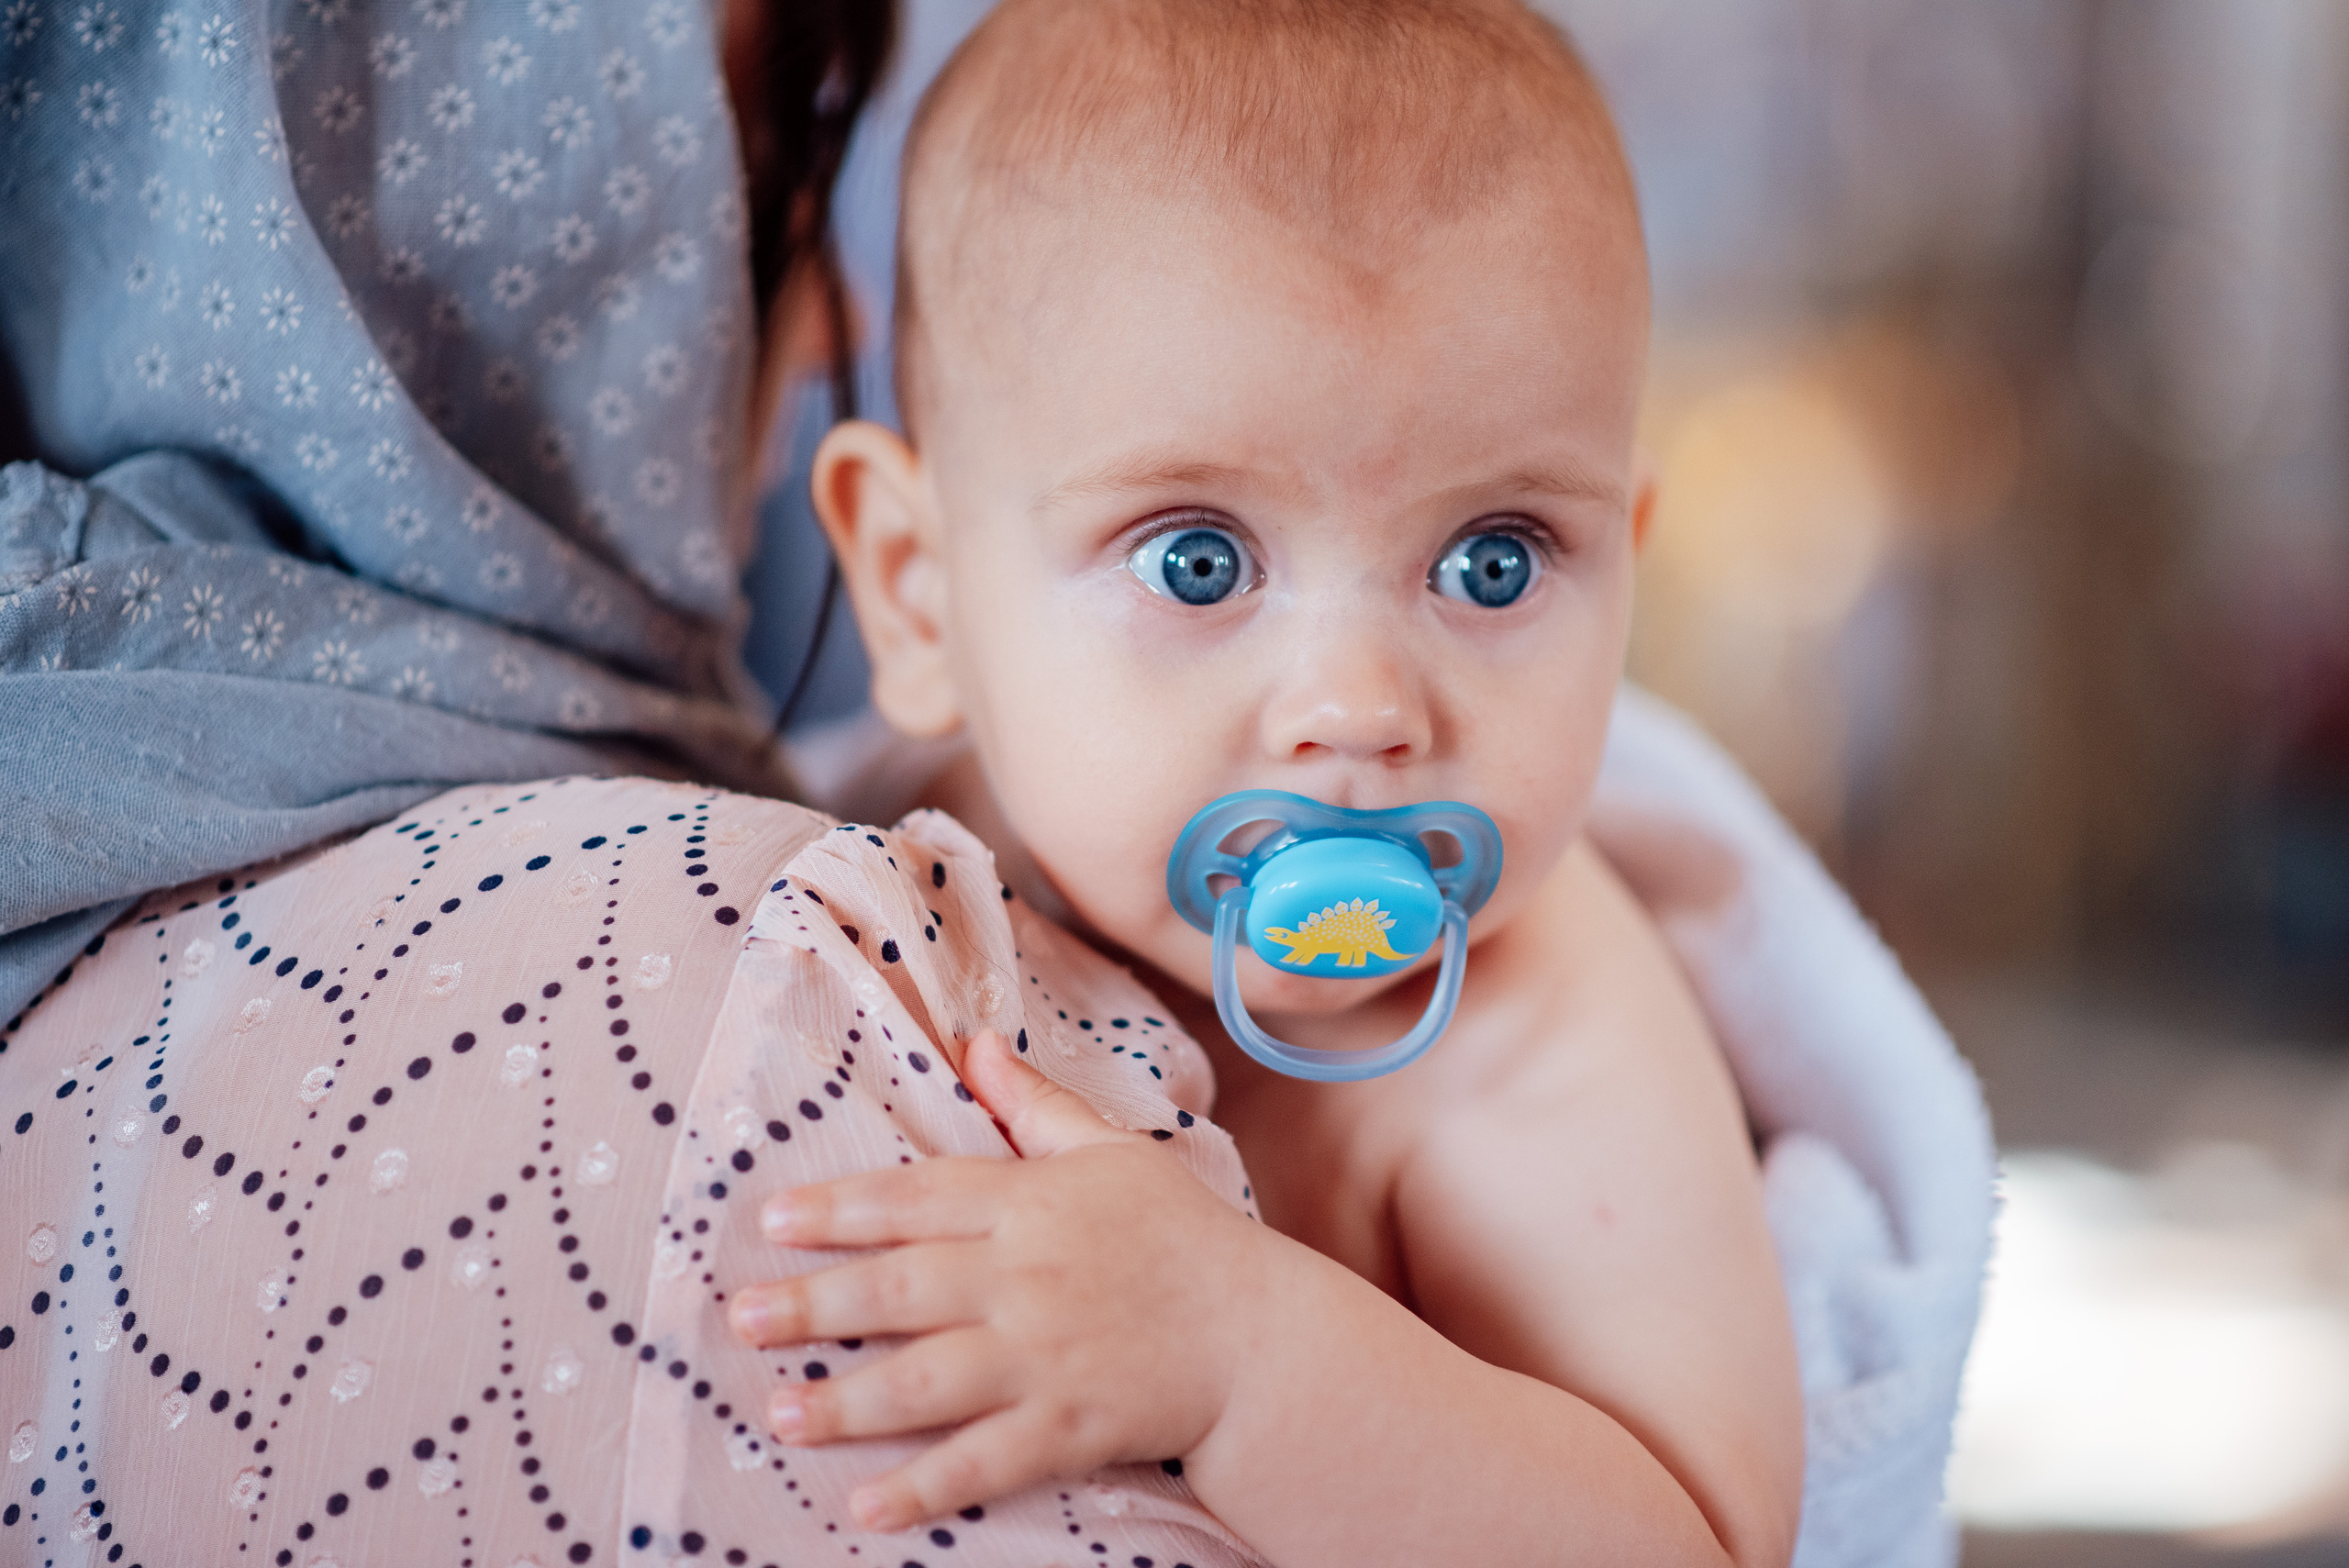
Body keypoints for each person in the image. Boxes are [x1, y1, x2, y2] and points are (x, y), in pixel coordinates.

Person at [717, 1, 1803, 1564]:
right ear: (918, 591)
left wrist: (1246, 1353)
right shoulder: (866, 878)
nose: (1360, 710)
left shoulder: (1546, 1037)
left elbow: (1696, 1541)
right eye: (1201, 558)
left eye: (1493, 562)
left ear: (1622, 573)